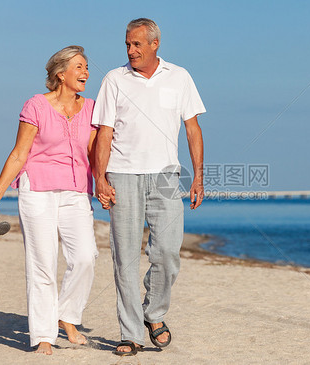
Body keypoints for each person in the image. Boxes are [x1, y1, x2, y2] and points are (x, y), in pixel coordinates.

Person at [92, 18, 206, 356]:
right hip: (122, 175)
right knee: (125, 258)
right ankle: (130, 334)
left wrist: (198, 175)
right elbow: (104, 134)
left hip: (167, 176)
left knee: (168, 252)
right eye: (127, 44)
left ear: (155, 44)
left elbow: (193, 128)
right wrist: (100, 178)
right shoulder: (114, 79)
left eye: (137, 44)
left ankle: (153, 313)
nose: (131, 50)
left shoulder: (180, 77)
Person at [0, 45, 101, 355]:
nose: (86, 72)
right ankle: (44, 335)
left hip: (76, 191)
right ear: (61, 74)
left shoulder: (91, 108)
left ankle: (67, 316)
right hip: (38, 190)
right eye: (79, 67)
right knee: (43, 263)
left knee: (85, 256)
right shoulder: (36, 106)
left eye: (86, 66)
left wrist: (104, 183)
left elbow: (93, 153)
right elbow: (20, 153)